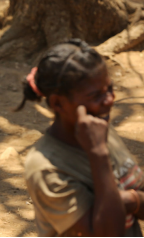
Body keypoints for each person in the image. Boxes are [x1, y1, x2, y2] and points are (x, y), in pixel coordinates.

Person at [17, 39, 144, 237]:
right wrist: (98, 154)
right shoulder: (45, 168)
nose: (110, 100)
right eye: (95, 96)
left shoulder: (100, 129)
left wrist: (130, 200)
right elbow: (109, 234)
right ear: (58, 103)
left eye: (109, 89)